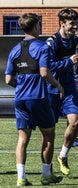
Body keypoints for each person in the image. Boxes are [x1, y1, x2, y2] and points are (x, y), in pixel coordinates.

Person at [5, 13, 64, 186]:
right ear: (36, 26)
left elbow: (8, 79)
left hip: (20, 99)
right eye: (39, 25)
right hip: (38, 97)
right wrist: (58, 85)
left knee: (22, 138)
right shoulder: (42, 47)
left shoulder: (14, 49)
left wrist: (22, 87)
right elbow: (44, 72)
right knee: (49, 133)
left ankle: (21, 177)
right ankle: (46, 175)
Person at [46, 8, 78, 176]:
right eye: (72, 23)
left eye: (76, 22)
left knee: (75, 122)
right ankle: (46, 165)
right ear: (62, 23)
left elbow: (70, 61)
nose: (75, 26)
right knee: (49, 130)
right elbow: (48, 66)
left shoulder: (74, 40)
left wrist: (75, 61)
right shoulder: (52, 42)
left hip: (69, 87)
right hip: (52, 88)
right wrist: (68, 61)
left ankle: (63, 156)